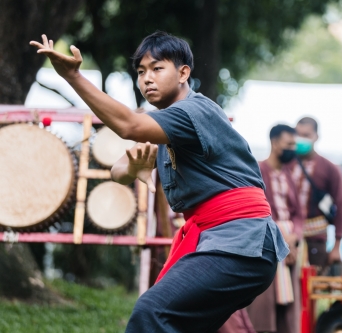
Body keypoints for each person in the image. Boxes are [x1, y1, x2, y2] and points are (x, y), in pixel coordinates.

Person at [30, 32, 289, 333]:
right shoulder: (167, 127)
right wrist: (135, 169)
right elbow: (119, 169)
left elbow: (129, 125)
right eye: (141, 72)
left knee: (152, 312)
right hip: (233, 245)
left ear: (183, 73)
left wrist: (74, 77)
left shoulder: (193, 112)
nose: (146, 79)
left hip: (240, 242)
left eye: (157, 68)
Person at [247, 124, 305, 333]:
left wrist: (294, 238)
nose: (292, 148)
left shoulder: (289, 174)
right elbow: (256, 209)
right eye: (288, 144)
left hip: (291, 245)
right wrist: (280, 237)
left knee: (289, 307)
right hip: (266, 243)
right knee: (264, 303)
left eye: (294, 144)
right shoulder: (258, 170)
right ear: (274, 142)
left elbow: (299, 213)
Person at [286, 117, 342, 274]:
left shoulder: (330, 169)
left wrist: (336, 246)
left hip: (316, 241)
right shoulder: (286, 164)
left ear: (316, 137)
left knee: (310, 289)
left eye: (306, 135)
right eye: (298, 134)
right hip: (287, 240)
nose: (301, 139)